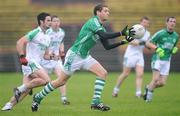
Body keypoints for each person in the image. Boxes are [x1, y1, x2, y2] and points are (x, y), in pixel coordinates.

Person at [31, 4, 135, 112]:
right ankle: (38, 97)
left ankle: (95, 102)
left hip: (85, 56)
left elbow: (107, 46)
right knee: (61, 81)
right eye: (105, 11)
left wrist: (124, 41)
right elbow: (104, 35)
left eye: (108, 11)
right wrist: (121, 33)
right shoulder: (93, 22)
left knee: (103, 73)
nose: (108, 13)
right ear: (98, 12)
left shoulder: (101, 28)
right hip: (75, 55)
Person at [1, 12, 52, 111]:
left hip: (36, 64)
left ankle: (8, 105)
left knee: (26, 90)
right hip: (29, 62)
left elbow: (46, 56)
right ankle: (20, 89)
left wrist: (52, 57)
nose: (50, 22)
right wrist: (22, 56)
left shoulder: (48, 37)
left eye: (50, 20)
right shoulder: (35, 32)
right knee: (47, 80)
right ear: (41, 22)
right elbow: (19, 42)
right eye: (48, 20)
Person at [112, 17, 150, 98]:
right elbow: (129, 41)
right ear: (140, 23)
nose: (145, 24)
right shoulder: (134, 30)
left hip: (139, 55)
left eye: (147, 23)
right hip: (130, 55)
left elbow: (147, 43)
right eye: (144, 22)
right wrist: (141, 43)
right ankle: (116, 90)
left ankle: (138, 93)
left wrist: (149, 46)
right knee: (125, 74)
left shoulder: (148, 33)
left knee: (140, 74)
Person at [143, 16, 179, 102]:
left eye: (174, 22)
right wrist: (156, 48)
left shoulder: (176, 36)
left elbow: (174, 46)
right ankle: (148, 99)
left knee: (162, 83)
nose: (172, 23)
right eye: (170, 21)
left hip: (167, 61)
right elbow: (147, 43)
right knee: (155, 79)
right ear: (166, 23)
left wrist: (175, 48)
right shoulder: (160, 33)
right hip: (157, 59)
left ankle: (148, 87)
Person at [40, 15, 70, 105]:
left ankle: (64, 98)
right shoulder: (47, 32)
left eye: (58, 21)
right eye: (54, 21)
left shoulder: (62, 32)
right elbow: (42, 45)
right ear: (51, 23)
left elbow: (61, 42)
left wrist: (62, 51)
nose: (56, 23)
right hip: (45, 60)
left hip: (56, 60)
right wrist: (48, 54)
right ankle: (25, 88)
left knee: (62, 78)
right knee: (41, 80)